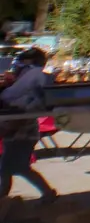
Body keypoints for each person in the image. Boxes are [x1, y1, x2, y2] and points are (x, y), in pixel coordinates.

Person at [0, 48, 57, 203]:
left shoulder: (36, 76)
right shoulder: (29, 77)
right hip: (17, 128)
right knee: (10, 166)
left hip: (22, 129)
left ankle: (47, 193)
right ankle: (4, 196)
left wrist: (13, 123)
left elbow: (35, 105)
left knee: (12, 167)